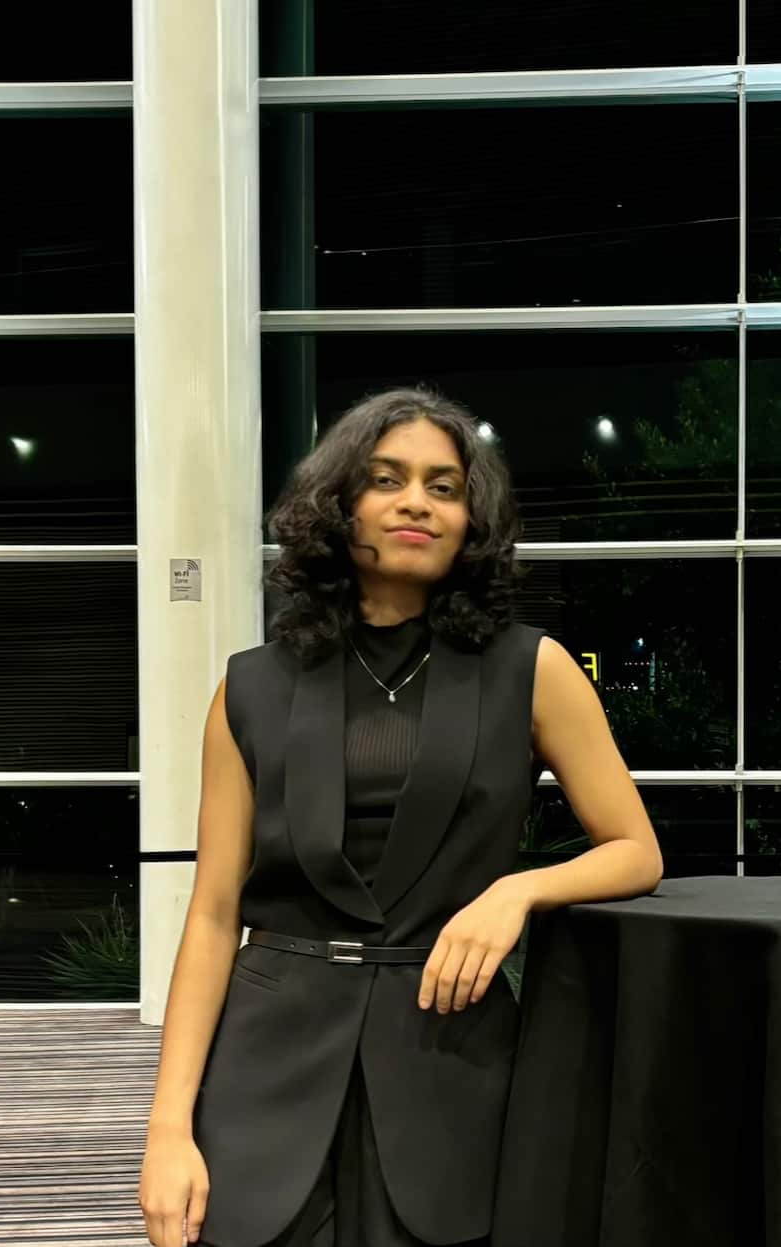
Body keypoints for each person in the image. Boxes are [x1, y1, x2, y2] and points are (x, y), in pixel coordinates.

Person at [139, 387, 663, 1247]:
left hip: (449, 1062)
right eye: (386, 479)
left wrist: (517, 893)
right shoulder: (250, 686)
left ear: (471, 520)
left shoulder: (534, 670)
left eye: (443, 485)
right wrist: (168, 1127)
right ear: (338, 509)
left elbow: (635, 850)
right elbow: (212, 916)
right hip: (265, 1066)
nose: (416, 499)